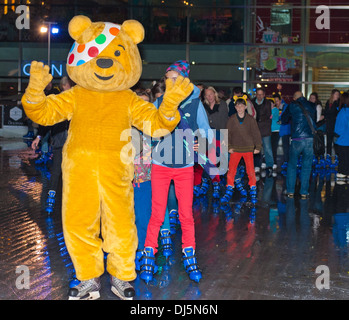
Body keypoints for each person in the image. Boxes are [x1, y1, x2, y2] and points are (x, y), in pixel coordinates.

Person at [140, 60, 212, 284]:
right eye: (167, 77)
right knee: (157, 213)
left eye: (174, 78)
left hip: (184, 167)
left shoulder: (194, 104)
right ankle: (149, 254)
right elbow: (147, 129)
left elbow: (207, 132)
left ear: (182, 79)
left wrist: (202, 142)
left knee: (186, 215)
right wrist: (148, 147)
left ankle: (189, 255)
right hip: (161, 165)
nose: (170, 81)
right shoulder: (159, 102)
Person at [31, 76, 74, 214]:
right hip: (63, 141)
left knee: (63, 172)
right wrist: (39, 136)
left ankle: (56, 200)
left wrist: (39, 136)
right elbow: (48, 120)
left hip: (70, 142)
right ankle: (52, 199)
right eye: (71, 85)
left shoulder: (75, 101)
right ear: (65, 86)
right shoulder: (59, 101)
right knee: (57, 171)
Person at [221, 97, 262, 204]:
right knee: (231, 171)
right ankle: (229, 188)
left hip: (248, 148)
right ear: (235, 107)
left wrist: (258, 146)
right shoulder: (231, 119)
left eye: (241, 106)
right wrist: (228, 146)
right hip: (235, 149)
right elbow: (227, 133)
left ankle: (253, 188)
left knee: (250, 171)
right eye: (237, 106)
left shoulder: (250, 119)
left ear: (245, 107)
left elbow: (256, 133)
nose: (239, 108)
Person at [281, 91, 316, 198]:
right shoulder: (311, 105)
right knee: (307, 166)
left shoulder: (292, 105)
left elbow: (284, 119)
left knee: (292, 165)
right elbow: (314, 120)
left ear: (295, 98)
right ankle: (304, 192)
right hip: (309, 138)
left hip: (297, 139)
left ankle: (290, 191)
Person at [251, 87, 274, 174]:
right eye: (258, 94)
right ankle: (256, 165)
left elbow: (268, 116)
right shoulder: (252, 102)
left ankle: (269, 165)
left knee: (267, 148)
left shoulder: (268, 103)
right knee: (255, 148)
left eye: (261, 94)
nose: (259, 96)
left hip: (265, 129)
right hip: (254, 129)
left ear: (264, 95)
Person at [334, 92, 349, 179]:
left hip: (343, 140)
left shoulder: (342, 112)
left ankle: (343, 172)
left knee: (343, 159)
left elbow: (338, 129)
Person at [273, 93, 290, 168]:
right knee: (274, 146)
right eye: (275, 101)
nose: (276, 102)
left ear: (280, 100)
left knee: (285, 146)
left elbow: (286, 117)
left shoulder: (285, 106)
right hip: (277, 129)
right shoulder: (274, 108)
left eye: (277, 101)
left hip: (285, 129)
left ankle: (287, 162)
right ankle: (275, 162)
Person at [324, 89, 340, 156]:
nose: (337, 96)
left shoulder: (338, 103)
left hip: (335, 124)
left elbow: (336, 113)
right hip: (329, 124)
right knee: (329, 141)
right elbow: (326, 112)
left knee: (335, 141)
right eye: (336, 94)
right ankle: (328, 155)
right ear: (332, 94)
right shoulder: (328, 102)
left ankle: (336, 155)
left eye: (338, 94)